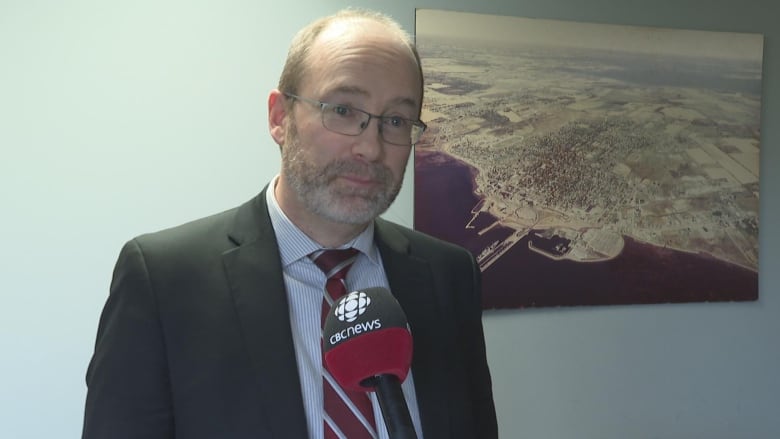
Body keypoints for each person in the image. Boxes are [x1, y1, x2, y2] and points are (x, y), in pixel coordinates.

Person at [82, 8, 497, 439]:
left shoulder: (449, 275)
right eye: (342, 109)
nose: (370, 148)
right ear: (280, 117)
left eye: (394, 121)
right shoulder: (163, 280)